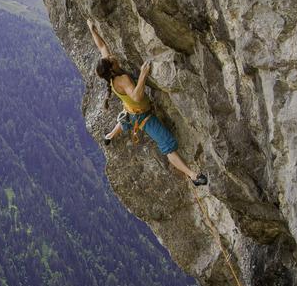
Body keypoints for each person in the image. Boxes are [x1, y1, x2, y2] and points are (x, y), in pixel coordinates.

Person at [87, 19, 208, 186]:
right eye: (112, 59)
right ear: (112, 67)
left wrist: (92, 30)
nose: (113, 56)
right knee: (167, 144)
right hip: (142, 116)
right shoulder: (121, 80)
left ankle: (109, 136)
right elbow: (136, 96)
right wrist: (143, 74)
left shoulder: (110, 73)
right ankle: (193, 176)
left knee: (126, 119)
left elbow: (102, 47)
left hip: (131, 110)